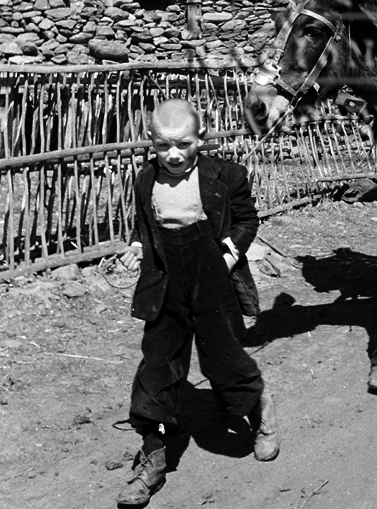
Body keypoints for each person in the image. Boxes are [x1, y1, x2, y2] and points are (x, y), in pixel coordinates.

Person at [117, 98, 280, 507]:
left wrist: (226, 257)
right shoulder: (144, 179)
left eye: (184, 144)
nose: (173, 154)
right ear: (151, 141)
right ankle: (152, 457)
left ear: (201, 138)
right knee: (157, 365)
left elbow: (247, 222)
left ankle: (258, 409)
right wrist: (138, 246)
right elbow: (145, 221)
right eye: (163, 146)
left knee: (223, 356)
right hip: (165, 280)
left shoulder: (225, 175)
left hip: (211, 275)